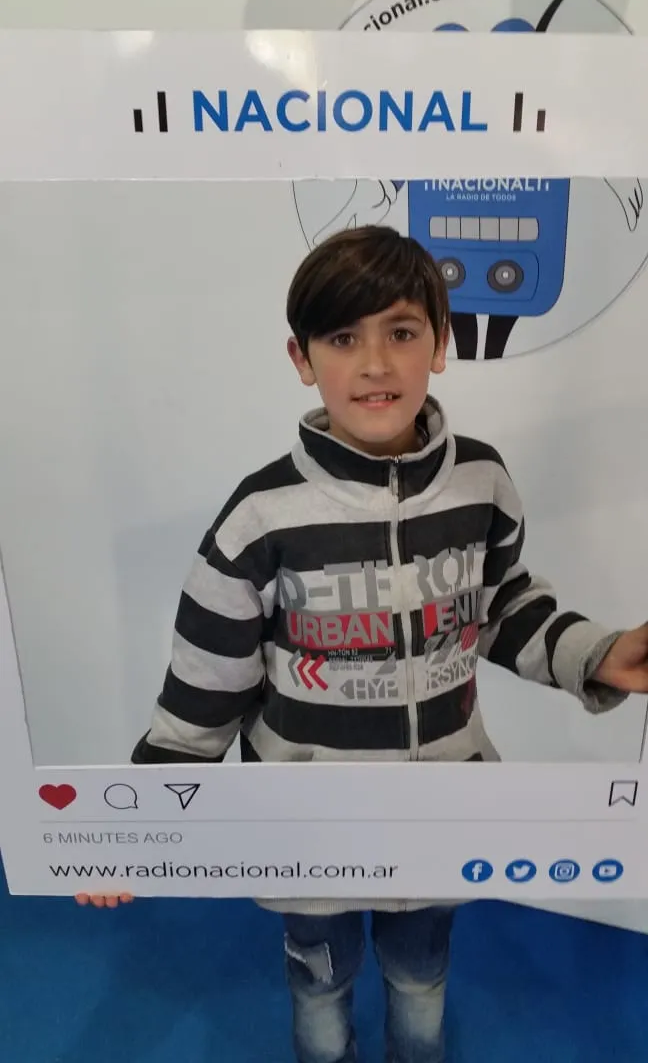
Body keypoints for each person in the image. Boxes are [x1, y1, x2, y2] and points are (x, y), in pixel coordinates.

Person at [76, 226, 648, 1063]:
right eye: (343, 338)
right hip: (307, 827)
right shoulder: (259, 517)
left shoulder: (483, 482)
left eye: (402, 332)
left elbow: (500, 608)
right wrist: (125, 831)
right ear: (302, 359)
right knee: (319, 987)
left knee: (420, 982)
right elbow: (204, 693)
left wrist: (597, 654)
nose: (375, 364)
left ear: (441, 345)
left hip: (441, 814)